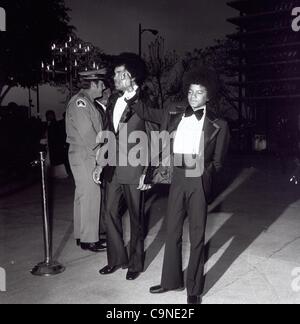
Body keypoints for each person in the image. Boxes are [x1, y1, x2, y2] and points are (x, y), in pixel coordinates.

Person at [126, 67, 230, 304]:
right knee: (171, 231)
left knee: (196, 235)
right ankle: (170, 281)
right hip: (176, 177)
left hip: (198, 178)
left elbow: (219, 161)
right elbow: (145, 111)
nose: (193, 96)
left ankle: (193, 289)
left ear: (209, 96)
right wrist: (132, 93)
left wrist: (205, 176)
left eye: (199, 93)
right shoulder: (174, 111)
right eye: (191, 92)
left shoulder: (219, 124)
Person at [97, 53, 153, 281]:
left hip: (134, 168)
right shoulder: (112, 101)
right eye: (116, 73)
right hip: (112, 168)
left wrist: (148, 172)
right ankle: (116, 259)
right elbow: (109, 133)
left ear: (133, 76)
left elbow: (154, 137)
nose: (116, 77)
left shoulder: (145, 102)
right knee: (109, 213)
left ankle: (135, 264)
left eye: (122, 74)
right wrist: (100, 164)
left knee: (136, 217)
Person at [65, 69, 109, 253]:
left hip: (83, 153)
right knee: (91, 195)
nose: (104, 87)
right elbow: (87, 134)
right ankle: (90, 239)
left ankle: (82, 236)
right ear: (92, 84)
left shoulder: (87, 102)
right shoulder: (81, 102)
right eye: (101, 83)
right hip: (86, 153)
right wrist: (101, 155)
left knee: (82, 196)